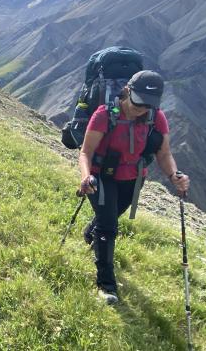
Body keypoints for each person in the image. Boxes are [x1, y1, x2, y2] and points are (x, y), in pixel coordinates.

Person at [77, 70, 189, 304]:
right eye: (139, 102)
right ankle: (106, 286)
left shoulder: (156, 117)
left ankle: (90, 235)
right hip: (101, 177)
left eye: (149, 105)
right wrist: (86, 177)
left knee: (108, 218)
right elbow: (86, 152)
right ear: (127, 91)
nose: (142, 109)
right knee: (109, 227)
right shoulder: (103, 115)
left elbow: (164, 153)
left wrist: (174, 175)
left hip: (132, 178)